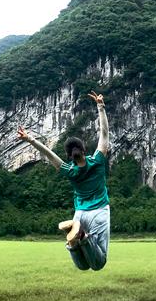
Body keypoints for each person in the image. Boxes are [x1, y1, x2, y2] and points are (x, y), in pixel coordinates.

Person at [16, 91, 110, 271]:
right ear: (84, 149)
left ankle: (74, 241)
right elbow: (104, 135)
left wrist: (29, 139)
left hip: (80, 214)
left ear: (69, 155)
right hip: (99, 212)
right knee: (99, 263)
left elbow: (49, 154)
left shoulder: (69, 170)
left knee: (83, 266)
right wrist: (100, 106)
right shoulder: (98, 161)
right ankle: (81, 237)